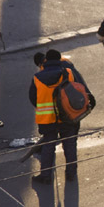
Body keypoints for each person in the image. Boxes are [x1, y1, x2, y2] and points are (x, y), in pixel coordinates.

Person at [29, 49, 95, 184]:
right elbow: (78, 90)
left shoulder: (37, 78)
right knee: (70, 144)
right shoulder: (68, 73)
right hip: (67, 116)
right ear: (59, 60)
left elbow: (32, 98)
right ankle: (71, 173)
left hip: (47, 119)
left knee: (48, 147)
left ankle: (46, 176)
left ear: (46, 60)